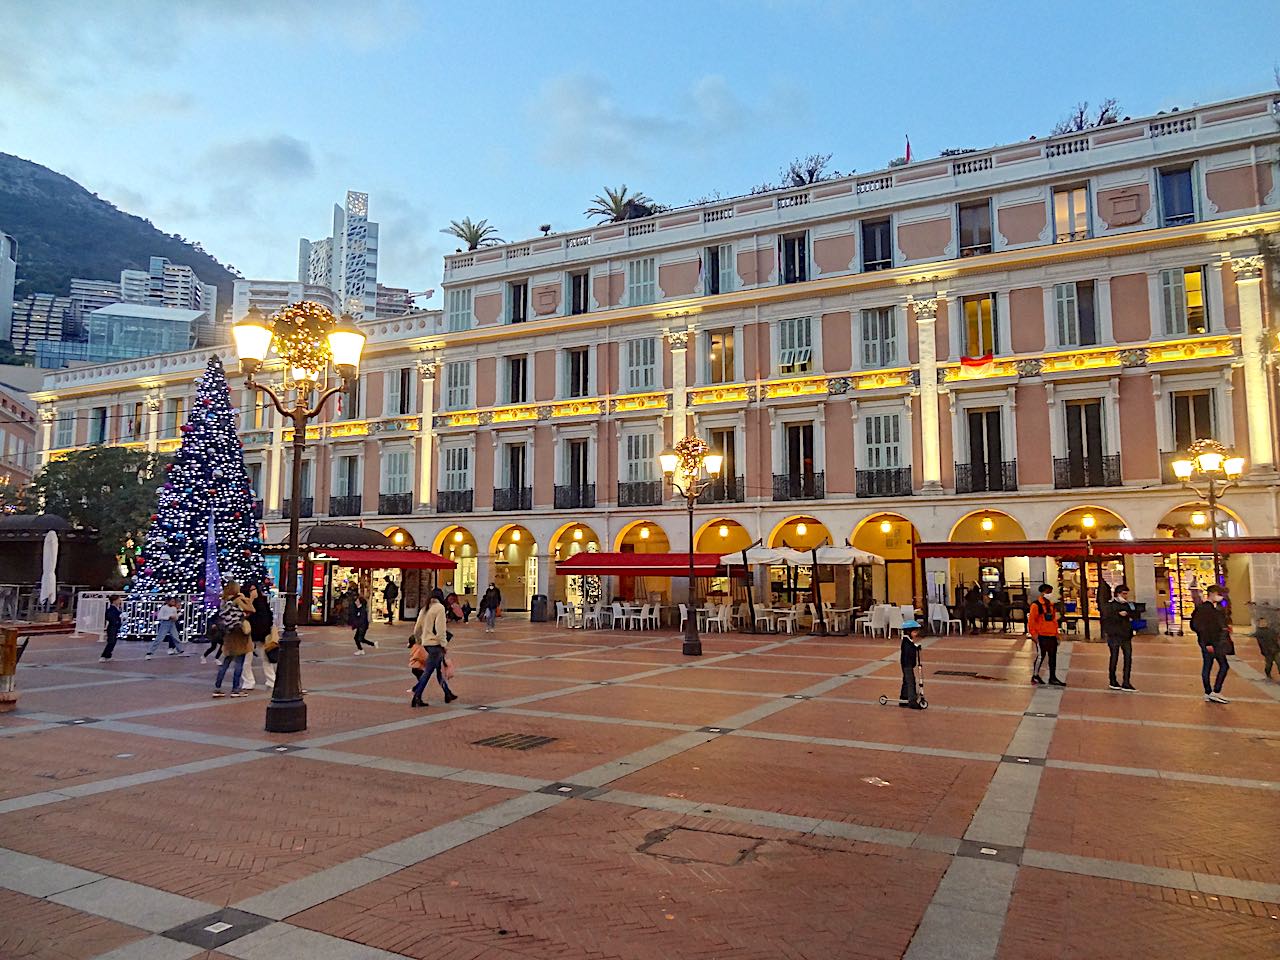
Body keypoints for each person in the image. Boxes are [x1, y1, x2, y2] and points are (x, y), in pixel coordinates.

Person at [410, 590, 456, 707]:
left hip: (427, 644)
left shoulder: (425, 608)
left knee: (437, 670)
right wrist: (444, 644)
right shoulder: (439, 608)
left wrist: (420, 640)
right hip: (435, 644)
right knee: (428, 672)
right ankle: (417, 695)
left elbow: (417, 629)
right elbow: (440, 629)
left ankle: (447, 693)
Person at [1191, 584, 1231, 703]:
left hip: (1213, 641)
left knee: (1211, 665)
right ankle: (1213, 692)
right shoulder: (1205, 609)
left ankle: (1210, 692)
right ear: (1212, 594)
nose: (1221, 597)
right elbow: (1200, 626)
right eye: (1219, 594)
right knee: (1220, 665)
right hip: (1210, 642)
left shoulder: (1214, 608)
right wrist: (1207, 642)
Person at [213, 582, 252, 697]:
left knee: (226, 661)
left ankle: (217, 687)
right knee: (239, 662)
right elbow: (251, 609)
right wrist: (246, 599)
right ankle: (236, 688)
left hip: (228, 633)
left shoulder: (223, 601)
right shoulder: (236, 600)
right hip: (238, 632)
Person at [1028, 583, 1066, 686]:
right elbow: (1031, 621)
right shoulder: (1036, 605)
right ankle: (1035, 675)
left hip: (1051, 636)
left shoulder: (1051, 605)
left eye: (1051, 592)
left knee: (1053, 657)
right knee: (1041, 656)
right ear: (1043, 592)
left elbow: (1054, 621)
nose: (1050, 594)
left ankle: (1052, 678)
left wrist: (1056, 634)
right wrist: (1034, 635)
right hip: (1041, 635)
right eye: (1048, 592)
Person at [1102, 583, 1137, 691]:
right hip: (1115, 636)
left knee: (1128, 658)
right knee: (1114, 657)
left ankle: (1126, 681)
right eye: (1124, 594)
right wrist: (1118, 615)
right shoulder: (1110, 605)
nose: (1125, 596)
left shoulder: (1129, 605)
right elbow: (1106, 619)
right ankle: (1113, 680)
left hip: (1126, 636)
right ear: (1118, 594)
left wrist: (1130, 615)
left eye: (1127, 594)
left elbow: (1135, 615)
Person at [241, 584, 274, 689]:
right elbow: (247, 613)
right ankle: (248, 682)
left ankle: (272, 680)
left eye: (254, 589)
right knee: (247, 660)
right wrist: (250, 599)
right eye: (251, 590)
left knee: (266, 658)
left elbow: (268, 615)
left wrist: (268, 630)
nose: (253, 592)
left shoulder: (262, 600)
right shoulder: (244, 600)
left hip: (262, 634)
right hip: (249, 633)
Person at [898, 620, 925, 709]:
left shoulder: (908, 640)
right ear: (908, 632)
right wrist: (915, 649)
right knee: (911, 682)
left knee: (906, 681)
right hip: (907, 665)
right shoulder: (906, 642)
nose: (916, 633)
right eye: (914, 632)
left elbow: (912, 646)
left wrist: (916, 647)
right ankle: (912, 701)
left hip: (908, 664)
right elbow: (909, 651)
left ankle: (903, 698)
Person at [1255, 615, 1279, 682]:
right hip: (1267, 651)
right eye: (1261, 622)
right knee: (1269, 664)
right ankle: (1268, 673)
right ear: (1259, 624)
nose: (1263, 623)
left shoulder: (1271, 630)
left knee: (1279, 662)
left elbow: (1276, 638)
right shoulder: (1258, 632)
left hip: (1275, 649)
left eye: (1264, 622)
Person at [100, 595, 123, 661]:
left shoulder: (117, 608)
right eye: (118, 599)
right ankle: (104, 656)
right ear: (114, 601)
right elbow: (109, 617)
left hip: (115, 626)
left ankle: (108, 655)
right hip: (112, 627)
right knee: (111, 641)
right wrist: (116, 621)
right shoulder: (111, 609)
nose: (120, 601)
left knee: (113, 641)